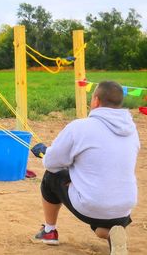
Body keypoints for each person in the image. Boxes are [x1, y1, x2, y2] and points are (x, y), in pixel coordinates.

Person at [31, 81, 140, 254]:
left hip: (93, 205)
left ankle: (49, 231)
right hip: (124, 209)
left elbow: (52, 163)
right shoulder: (132, 130)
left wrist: (44, 151)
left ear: (96, 101)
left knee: (52, 175)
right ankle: (113, 234)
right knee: (100, 217)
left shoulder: (79, 127)